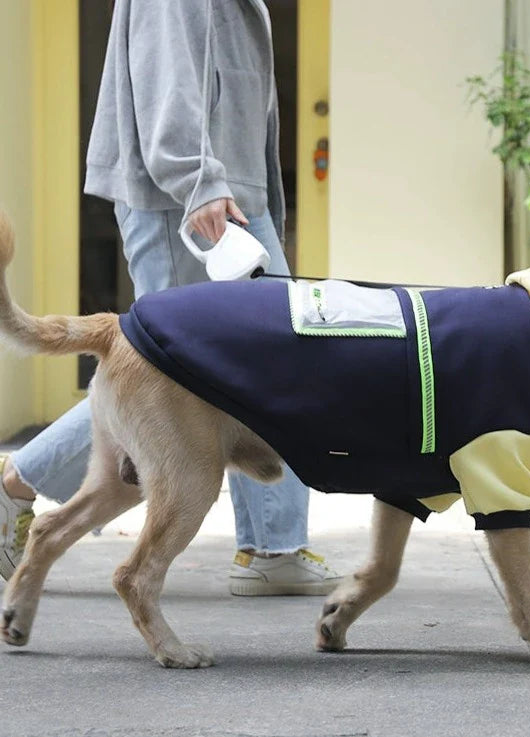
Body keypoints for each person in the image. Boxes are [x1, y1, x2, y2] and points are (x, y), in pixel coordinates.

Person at [0, 0, 341, 595]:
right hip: (187, 198)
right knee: (169, 381)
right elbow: (166, 77)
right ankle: (16, 487)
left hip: (225, 193)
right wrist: (197, 180)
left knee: (234, 369)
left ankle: (274, 545)